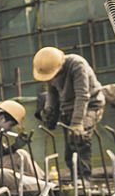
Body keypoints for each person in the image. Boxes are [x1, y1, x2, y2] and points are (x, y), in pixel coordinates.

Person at [32, 46, 105, 178]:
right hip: (68, 108)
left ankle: (84, 179)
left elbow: (83, 95)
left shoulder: (77, 65)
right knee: (69, 149)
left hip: (90, 105)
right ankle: (75, 177)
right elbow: (52, 93)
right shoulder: (51, 70)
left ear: (60, 64)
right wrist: (49, 110)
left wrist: (77, 123)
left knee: (79, 139)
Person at [0, 100, 44, 193]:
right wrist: (17, 171)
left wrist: (15, 147)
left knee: (21, 154)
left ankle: (42, 180)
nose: (10, 129)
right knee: (5, 175)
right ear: (1, 118)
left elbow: (0, 154)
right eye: (11, 125)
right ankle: (40, 187)